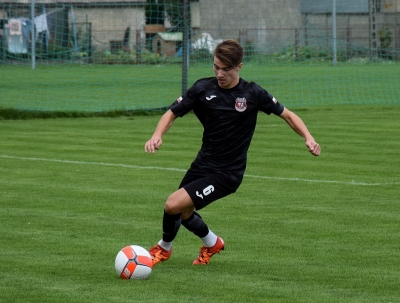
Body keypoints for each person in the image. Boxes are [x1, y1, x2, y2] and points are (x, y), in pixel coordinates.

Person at [144, 39, 321, 266]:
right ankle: (212, 243)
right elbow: (172, 112)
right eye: (216, 67)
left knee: (172, 204)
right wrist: (157, 135)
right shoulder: (202, 89)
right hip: (203, 164)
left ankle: (163, 249)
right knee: (184, 212)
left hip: (227, 173)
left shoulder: (252, 93)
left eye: (226, 69)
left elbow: (288, 115)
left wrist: (309, 138)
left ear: (239, 66)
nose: (219, 74)